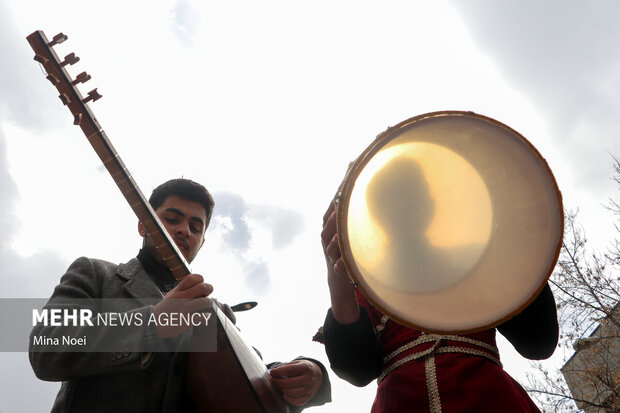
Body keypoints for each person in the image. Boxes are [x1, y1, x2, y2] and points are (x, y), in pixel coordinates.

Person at [30, 178, 331, 412]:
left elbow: (250, 377)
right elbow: (47, 349)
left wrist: (310, 376)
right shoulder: (96, 274)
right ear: (142, 225)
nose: (184, 230)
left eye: (195, 226)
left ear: (201, 241)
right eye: (171, 219)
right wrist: (152, 324)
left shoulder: (214, 313)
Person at [320, 199, 558, 413]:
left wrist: (511, 245)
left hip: (492, 398)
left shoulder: (475, 261)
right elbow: (357, 370)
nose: (401, 214)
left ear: (431, 207)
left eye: (411, 199)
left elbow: (537, 341)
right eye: (390, 204)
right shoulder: (366, 286)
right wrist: (337, 279)